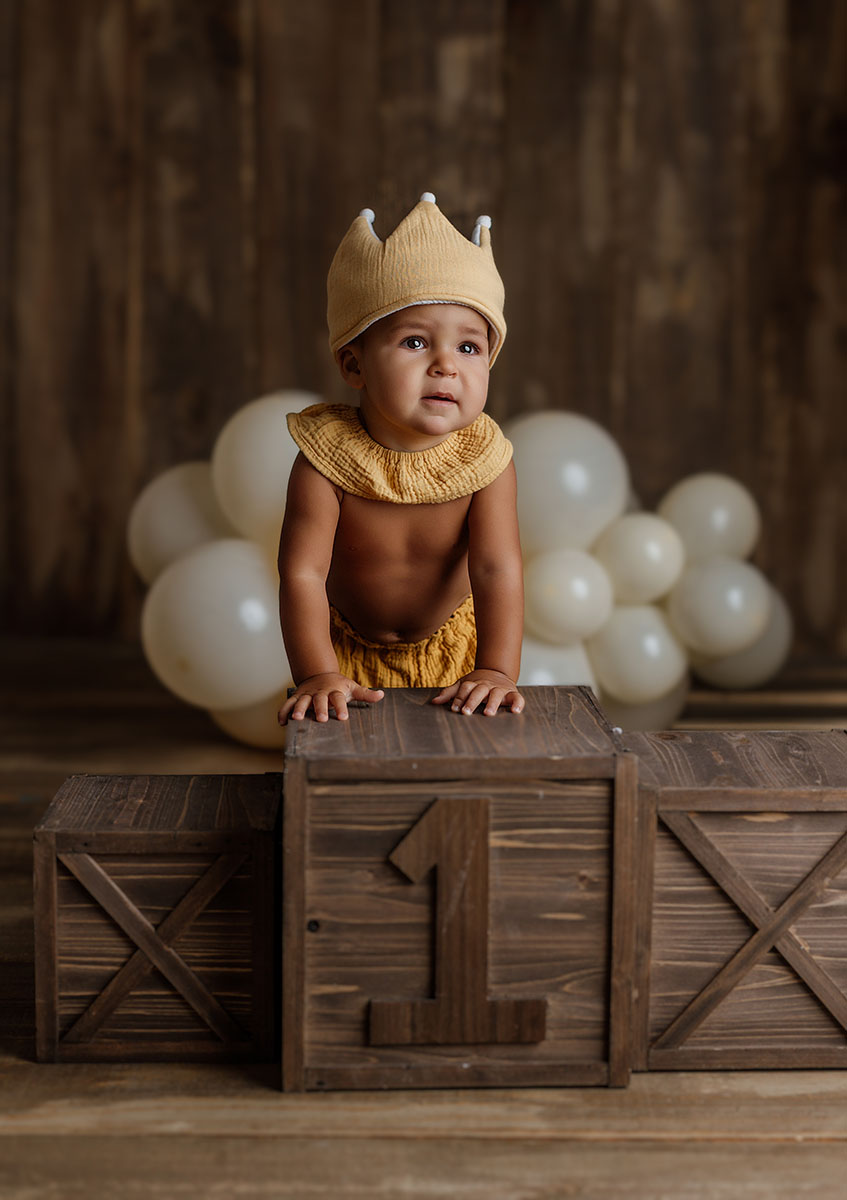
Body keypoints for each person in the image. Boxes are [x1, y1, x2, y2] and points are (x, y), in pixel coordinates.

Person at [277, 192, 524, 725]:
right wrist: (316, 673)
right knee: (336, 767)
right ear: (353, 364)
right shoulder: (327, 459)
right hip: (341, 654)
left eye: (469, 347)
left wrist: (498, 670)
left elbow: (496, 568)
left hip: (452, 655)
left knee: (455, 761)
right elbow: (303, 573)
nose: (445, 366)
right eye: (415, 342)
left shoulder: (486, 461)